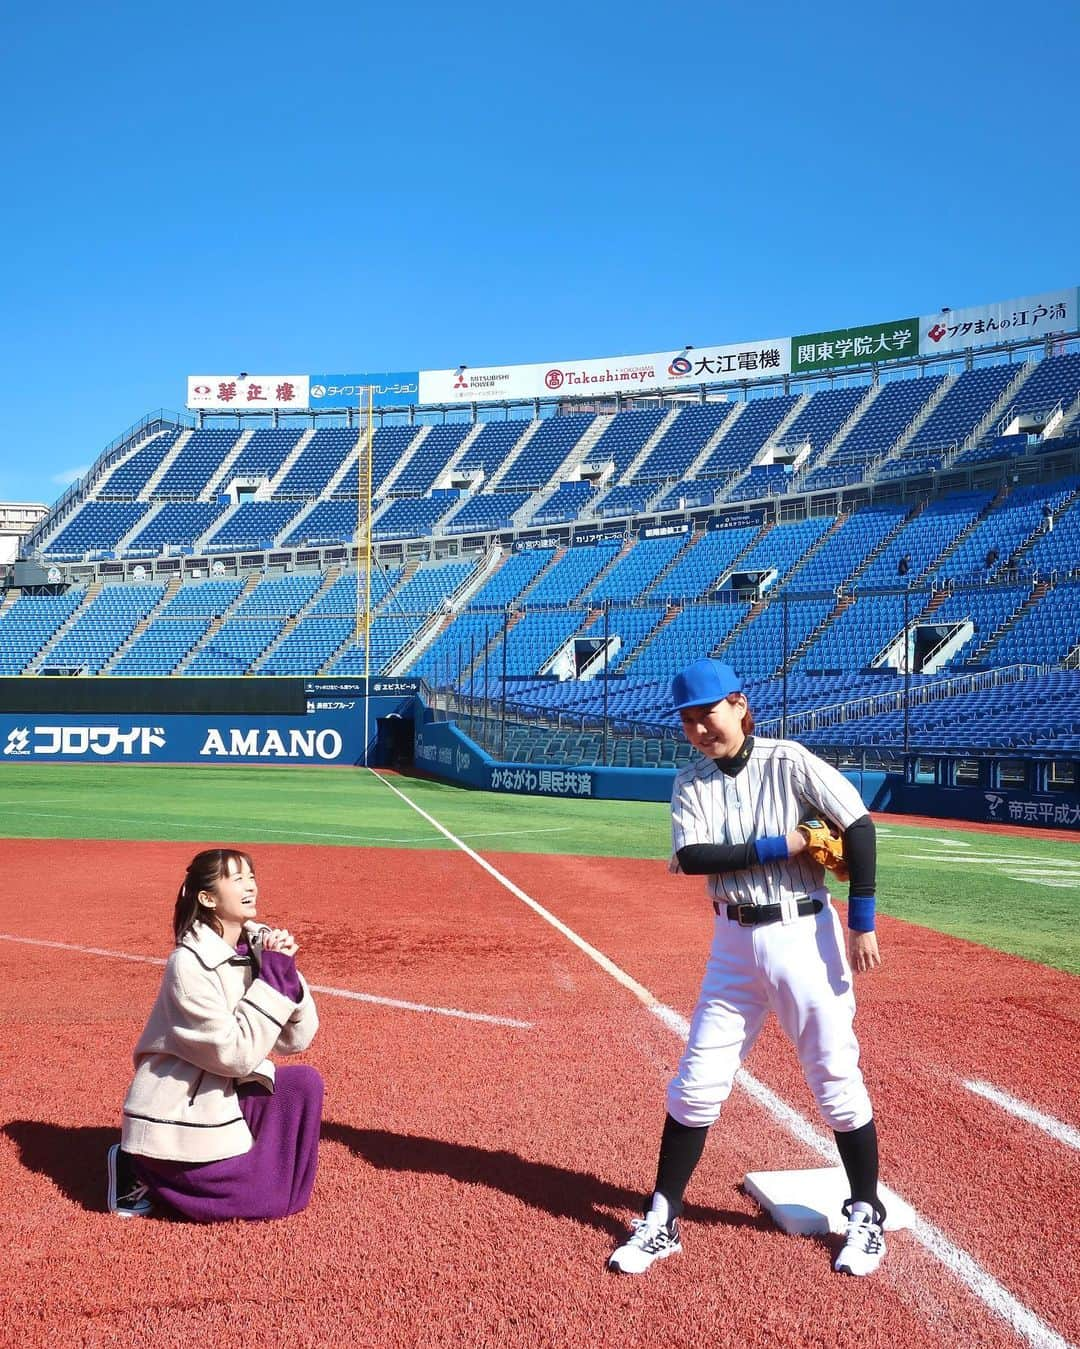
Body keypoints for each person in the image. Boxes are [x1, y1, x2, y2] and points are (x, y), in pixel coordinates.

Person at [608, 659, 886, 1277]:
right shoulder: (691, 782)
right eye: (687, 720)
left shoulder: (789, 760)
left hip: (802, 933)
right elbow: (696, 855)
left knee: (834, 1076)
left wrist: (861, 919)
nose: (699, 728)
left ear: (738, 704)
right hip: (732, 942)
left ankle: (866, 1213)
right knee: (697, 1080)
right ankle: (663, 1216)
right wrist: (786, 844)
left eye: (707, 713)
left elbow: (859, 825)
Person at [107, 847, 323, 1221]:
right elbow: (233, 1054)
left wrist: (284, 973)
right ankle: (136, 1165)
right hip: (180, 1103)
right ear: (207, 898)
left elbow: (296, 1040)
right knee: (266, 1200)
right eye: (236, 878)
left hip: (225, 1091)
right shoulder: (187, 964)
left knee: (303, 1084)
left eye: (251, 876)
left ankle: (247, 1168)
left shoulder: (254, 949)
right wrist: (273, 981)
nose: (250, 885)